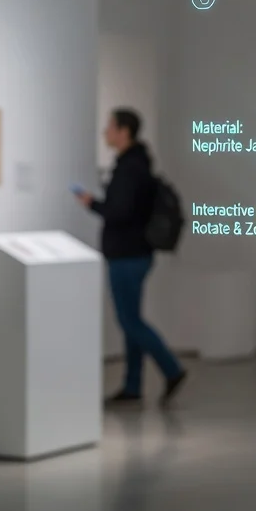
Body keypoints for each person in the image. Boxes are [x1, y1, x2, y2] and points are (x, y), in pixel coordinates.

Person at [75, 109, 186, 405]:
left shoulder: (129, 168)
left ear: (124, 131)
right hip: (135, 253)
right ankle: (132, 385)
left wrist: (92, 204)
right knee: (131, 321)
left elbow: (119, 212)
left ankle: (172, 369)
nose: (106, 132)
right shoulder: (138, 164)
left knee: (130, 321)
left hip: (127, 254)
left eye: (110, 127)